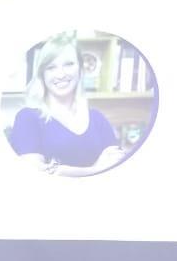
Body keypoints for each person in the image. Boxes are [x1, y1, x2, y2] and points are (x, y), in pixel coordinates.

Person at [7, 31, 125, 176]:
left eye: (68, 64)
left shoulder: (97, 118)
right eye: (51, 67)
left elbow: (115, 166)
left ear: (80, 69)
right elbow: (34, 175)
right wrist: (95, 169)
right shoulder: (28, 118)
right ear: (42, 74)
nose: (61, 74)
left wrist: (62, 170)